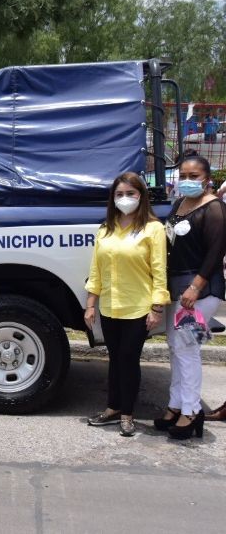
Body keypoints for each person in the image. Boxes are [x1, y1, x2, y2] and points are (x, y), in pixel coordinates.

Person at [85, 172, 169, 437]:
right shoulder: (105, 229)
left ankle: (128, 414)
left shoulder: (152, 228)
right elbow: (96, 270)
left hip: (138, 309)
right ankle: (112, 408)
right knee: (114, 360)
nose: (125, 199)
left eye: (130, 194)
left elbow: (159, 270)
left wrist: (157, 308)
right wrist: (91, 304)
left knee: (128, 360)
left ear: (141, 196)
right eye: (119, 194)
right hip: (109, 307)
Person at [154, 155, 226, 439]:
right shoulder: (180, 204)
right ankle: (176, 404)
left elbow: (216, 252)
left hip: (200, 292)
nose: (187, 180)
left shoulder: (215, 209)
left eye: (194, 176)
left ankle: (191, 410)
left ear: (207, 179)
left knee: (188, 349)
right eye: (183, 175)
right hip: (178, 290)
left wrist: (196, 287)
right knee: (175, 346)